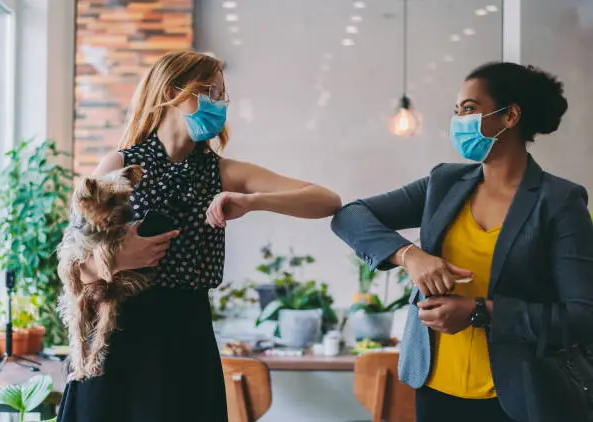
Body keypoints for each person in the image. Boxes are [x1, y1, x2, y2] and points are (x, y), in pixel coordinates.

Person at [56, 50, 341, 422]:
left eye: (223, 96)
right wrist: (121, 259)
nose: (220, 104)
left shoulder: (223, 172)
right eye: (212, 92)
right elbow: (73, 270)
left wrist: (251, 200)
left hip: (186, 337)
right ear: (174, 92)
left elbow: (326, 200)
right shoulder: (120, 165)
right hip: (118, 336)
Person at [331, 62, 593, 422]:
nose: (458, 121)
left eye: (469, 109)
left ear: (510, 116)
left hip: (518, 396)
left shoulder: (560, 202)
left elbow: (581, 317)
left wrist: (478, 311)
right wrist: (409, 255)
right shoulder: (443, 184)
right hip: (435, 389)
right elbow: (350, 215)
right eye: (456, 111)